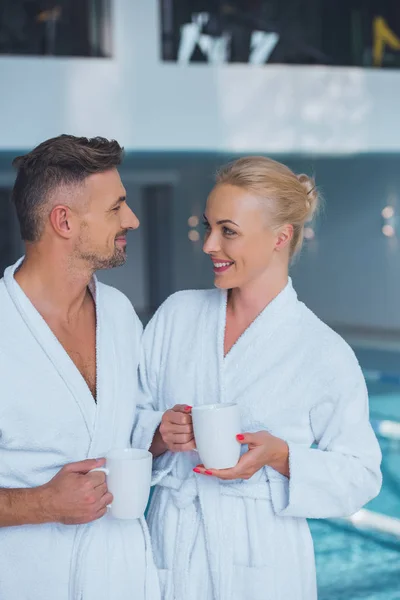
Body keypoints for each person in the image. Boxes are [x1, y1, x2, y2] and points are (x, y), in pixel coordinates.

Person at [133, 156, 382, 600]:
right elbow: (124, 418)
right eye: (209, 226)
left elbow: (361, 476)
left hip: (263, 561)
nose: (209, 244)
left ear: (280, 237)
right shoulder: (176, 315)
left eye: (228, 231)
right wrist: (157, 432)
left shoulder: (321, 351)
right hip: (171, 545)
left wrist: (281, 456)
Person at [0, 135, 160, 600]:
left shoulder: (118, 313)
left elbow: (127, 426)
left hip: (121, 576)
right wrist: (41, 504)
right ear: (64, 221)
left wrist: (160, 433)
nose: (131, 219)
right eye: (116, 208)